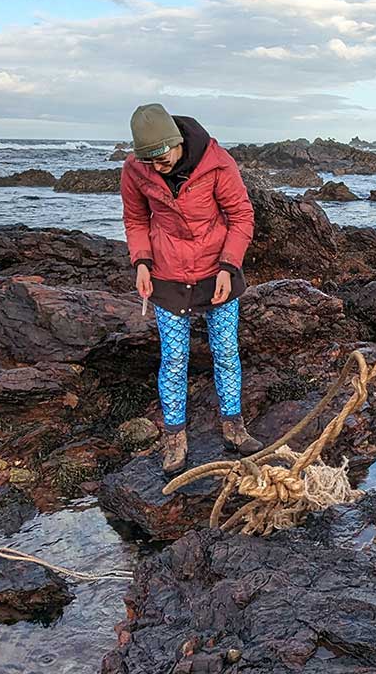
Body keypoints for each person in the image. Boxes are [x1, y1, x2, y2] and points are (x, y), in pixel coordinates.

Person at [120, 103, 261, 477]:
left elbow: (242, 216)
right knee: (174, 359)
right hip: (167, 272)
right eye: (147, 160)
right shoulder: (136, 170)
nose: (155, 167)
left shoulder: (217, 164)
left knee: (227, 351)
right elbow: (135, 219)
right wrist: (142, 263)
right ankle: (175, 440)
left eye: (161, 157)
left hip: (217, 269)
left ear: (176, 141)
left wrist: (229, 266)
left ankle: (234, 428)